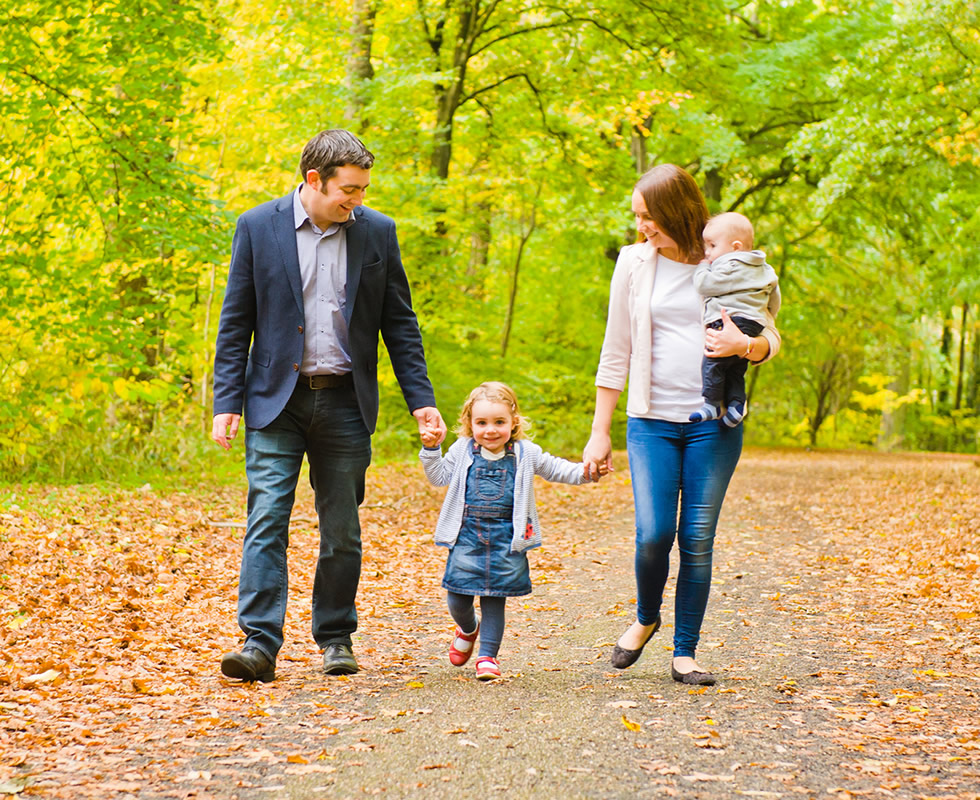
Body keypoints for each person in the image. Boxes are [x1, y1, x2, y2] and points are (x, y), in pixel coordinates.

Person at [211, 129, 447, 682]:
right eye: (350, 190)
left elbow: (400, 325)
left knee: (341, 528)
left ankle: (336, 636)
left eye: (363, 190)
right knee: (267, 516)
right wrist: (227, 400)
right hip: (275, 401)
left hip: (345, 402)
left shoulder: (377, 234)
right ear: (314, 180)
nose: (357, 200)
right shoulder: (257, 226)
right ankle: (259, 643)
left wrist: (422, 402)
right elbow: (235, 318)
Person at [582, 165, 780, 685]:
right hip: (651, 420)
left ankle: (685, 652)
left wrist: (749, 347)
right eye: (638, 217)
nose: (642, 226)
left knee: (696, 536)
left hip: (712, 422)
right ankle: (647, 618)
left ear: (678, 212)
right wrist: (599, 430)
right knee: (653, 535)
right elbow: (615, 350)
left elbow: (771, 334)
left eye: (649, 217)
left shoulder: (728, 259)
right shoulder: (632, 263)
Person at [419, 382, 598, 680]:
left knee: (494, 598)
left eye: (499, 422)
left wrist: (587, 471)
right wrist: (430, 448)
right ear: (469, 423)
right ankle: (467, 628)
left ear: (513, 422)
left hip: (507, 538)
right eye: (482, 423)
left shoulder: (526, 453)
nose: (491, 430)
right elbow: (438, 477)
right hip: (467, 536)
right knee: (457, 595)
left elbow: (557, 469)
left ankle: (488, 657)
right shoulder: (463, 450)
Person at [689, 211, 781, 427]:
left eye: (712, 246)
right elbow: (774, 298)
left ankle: (711, 404)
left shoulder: (731, 265)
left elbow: (704, 285)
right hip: (754, 323)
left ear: (736, 247)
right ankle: (736, 406)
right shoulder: (764, 268)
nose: (707, 252)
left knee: (713, 360)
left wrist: (703, 267)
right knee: (736, 368)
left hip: (729, 321)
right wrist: (766, 316)